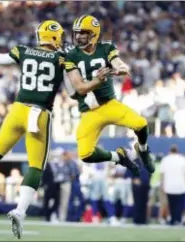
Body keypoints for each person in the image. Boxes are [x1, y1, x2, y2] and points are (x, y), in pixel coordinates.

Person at [0, 20, 111, 239]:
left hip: (18, 110)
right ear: (54, 37)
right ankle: (20, 211)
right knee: (36, 167)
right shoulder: (62, 59)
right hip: (40, 114)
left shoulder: (23, 51)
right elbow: (73, 92)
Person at [63, 15, 154, 175]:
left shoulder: (106, 48)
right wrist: (98, 80)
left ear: (93, 34)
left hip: (109, 104)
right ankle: (119, 157)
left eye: (83, 33)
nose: (78, 36)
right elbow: (80, 89)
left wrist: (119, 68)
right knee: (85, 154)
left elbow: (120, 64)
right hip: (89, 112)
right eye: (77, 33)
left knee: (141, 124)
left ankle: (143, 149)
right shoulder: (71, 56)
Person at [159, 145, 185, 225]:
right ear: (177, 151)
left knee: (171, 204)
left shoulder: (165, 159)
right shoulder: (182, 159)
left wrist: (162, 185)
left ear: (169, 151)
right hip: (181, 186)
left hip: (169, 186)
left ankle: (173, 219)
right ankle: (178, 219)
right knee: (180, 204)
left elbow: (162, 174)